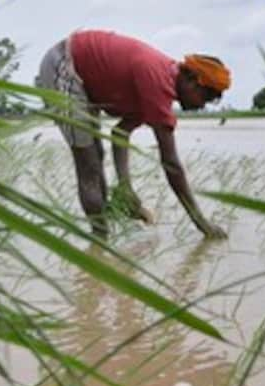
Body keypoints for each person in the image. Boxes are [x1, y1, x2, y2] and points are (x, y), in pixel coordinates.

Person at [35, 29, 230, 239]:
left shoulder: (157, 86)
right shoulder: (158, 80)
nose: (202, 106)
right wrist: (202, 223)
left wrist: (124, 186)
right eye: (204, 98)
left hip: (85, 79)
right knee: (89, 165)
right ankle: (100, 244)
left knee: (96, 156)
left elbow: (120, 134)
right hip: (64, 64)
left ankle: (101, 244)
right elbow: (171, 164)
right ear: (192, 80)